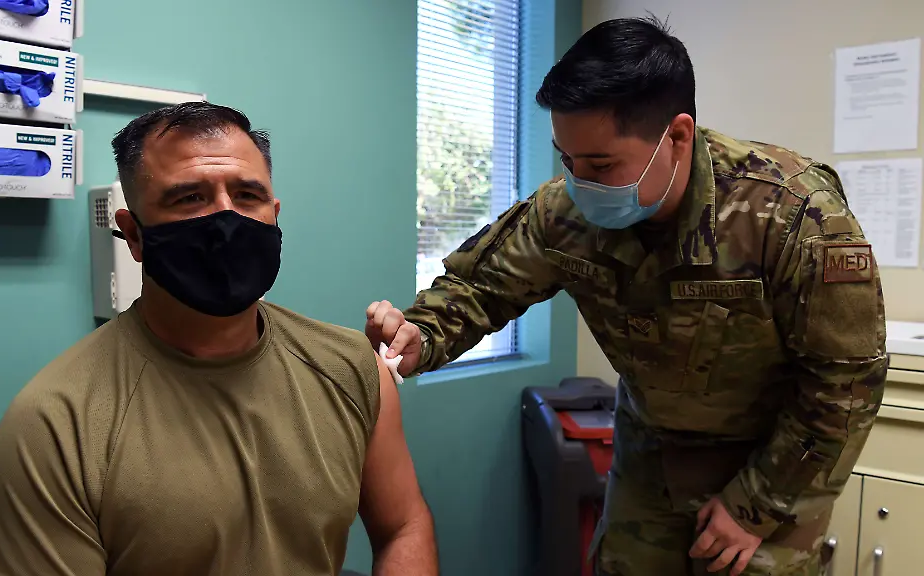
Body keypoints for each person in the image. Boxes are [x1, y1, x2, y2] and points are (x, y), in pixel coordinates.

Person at [366, 16, 886, 576]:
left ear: (677, 137)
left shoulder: (791, 213)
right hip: (648, 455)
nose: (580, 183)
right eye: (567, 161)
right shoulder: (563, 212)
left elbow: (845, 384)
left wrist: (755, 507)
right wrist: (421, 334)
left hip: (771, 458)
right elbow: (480, 288)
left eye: (601, 164)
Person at [0, 102, 438, 576]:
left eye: (247, 195)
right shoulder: (58, 423)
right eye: (189, 198)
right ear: (134, 235)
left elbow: (403, 527)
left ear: (274, 213)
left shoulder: (351, 369)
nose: (226, 219)